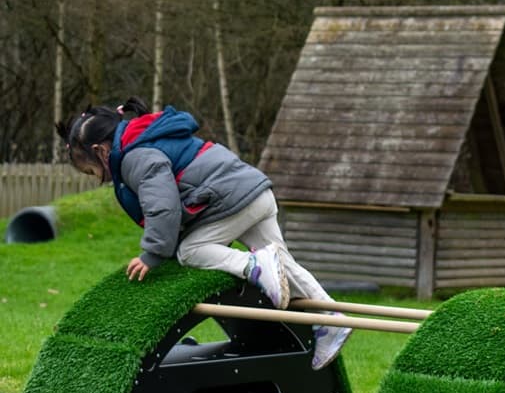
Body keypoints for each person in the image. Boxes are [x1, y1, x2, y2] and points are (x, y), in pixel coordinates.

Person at [56, 96, 351, 370]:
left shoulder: (134, 157)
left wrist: (153, 253)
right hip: (255, 193)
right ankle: (331, 319)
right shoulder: (146, 138)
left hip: (233, 199)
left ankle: (254, 265)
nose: (98, 179)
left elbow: (163, 206)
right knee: (284, 265)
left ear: (100, 151)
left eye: (91, 172)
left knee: (192, 251)